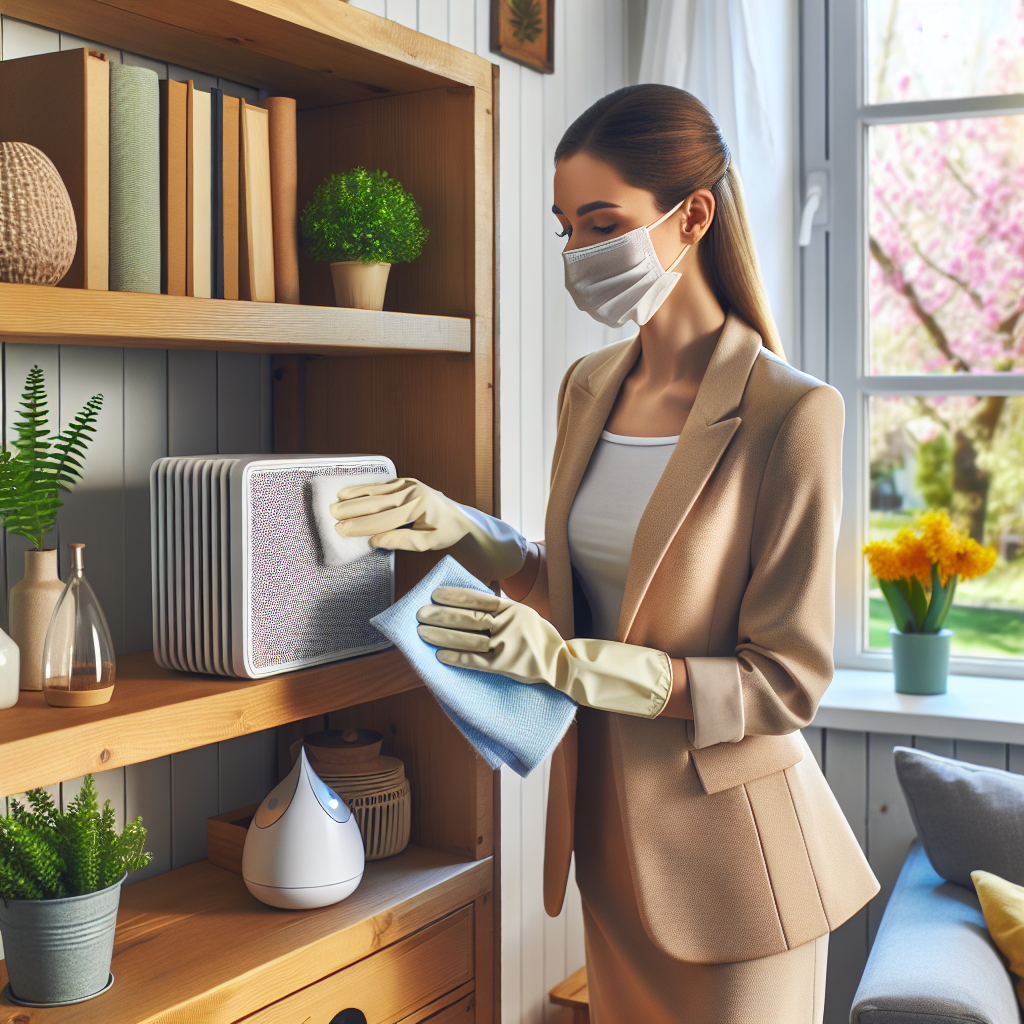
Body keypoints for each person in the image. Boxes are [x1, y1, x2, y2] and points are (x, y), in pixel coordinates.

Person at [330, 84, 878, 1024]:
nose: (579, 255)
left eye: (601, 223)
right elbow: (585, 587)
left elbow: (784, 683)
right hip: (609, 851)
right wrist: (472, 531)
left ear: (692, 215)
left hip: (736, 873)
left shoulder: (794, 413)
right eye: (565, 230)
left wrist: (569, 667)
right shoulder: (589, 387)